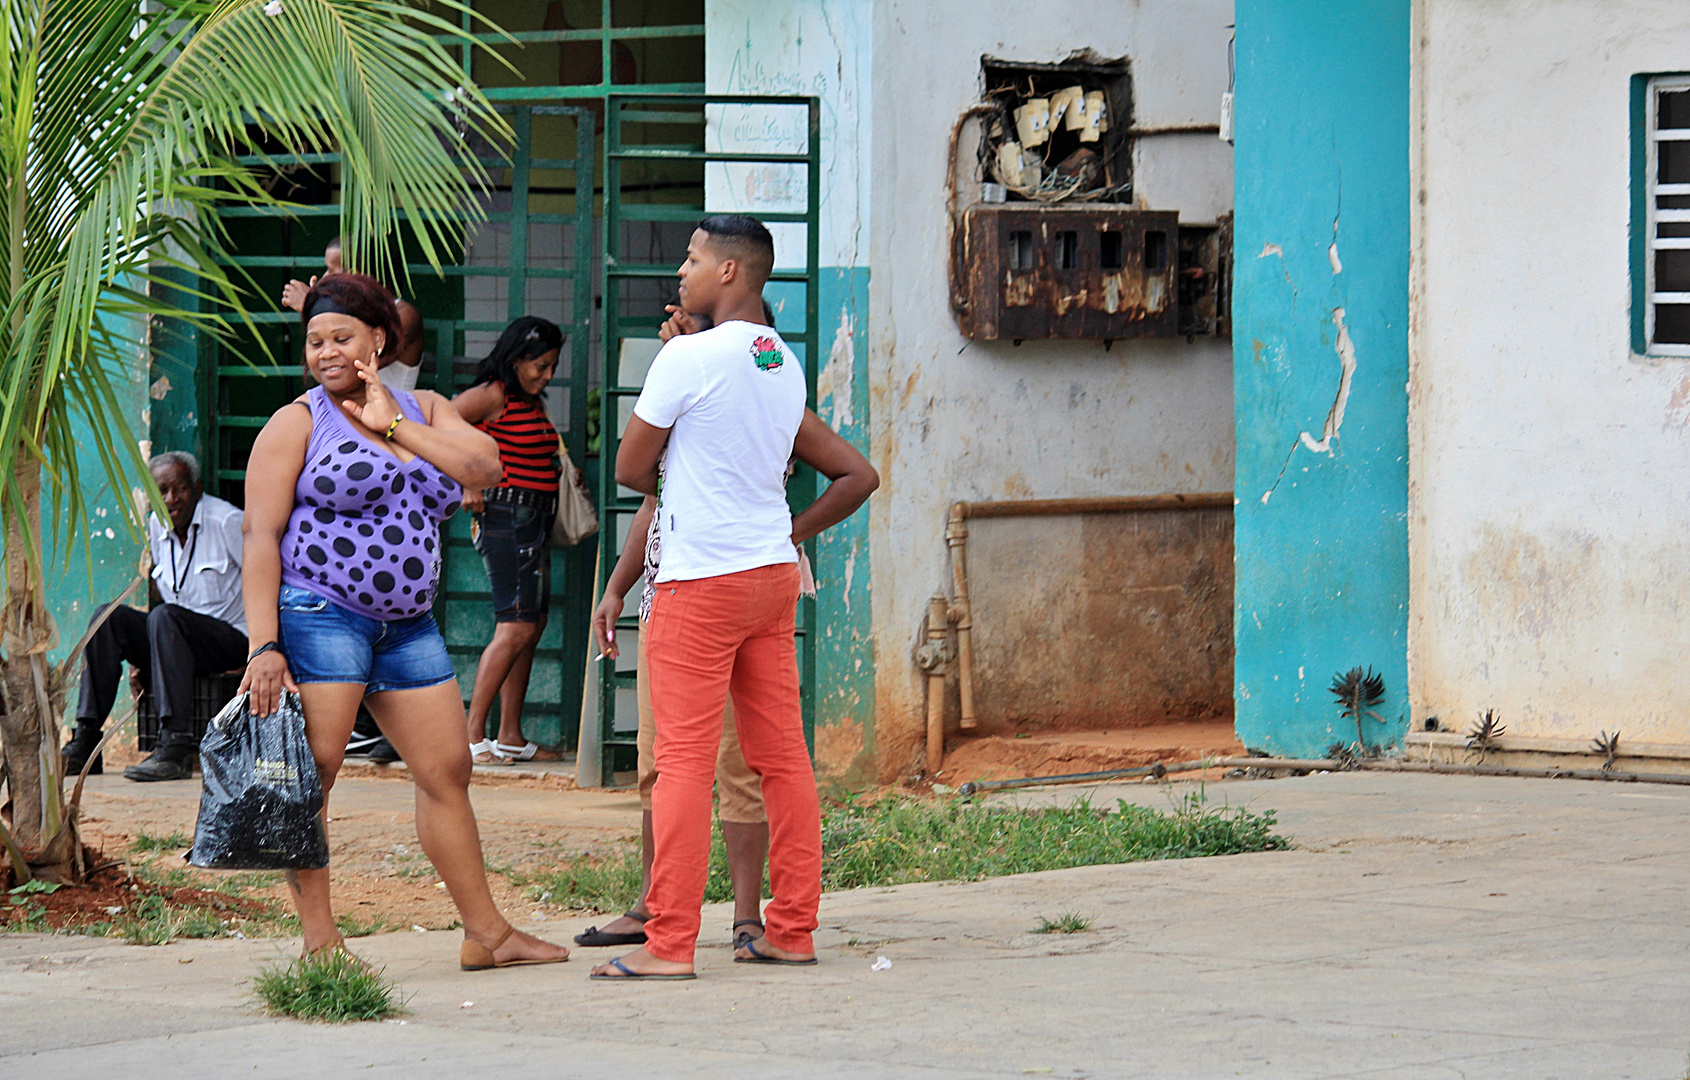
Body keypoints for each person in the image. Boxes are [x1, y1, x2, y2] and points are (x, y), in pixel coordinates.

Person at [241, 272, 569, 968]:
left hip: (407, 625)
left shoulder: (423, 406)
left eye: (342, 338)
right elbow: (260, 539)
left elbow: (484, 466)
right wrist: (264, 645)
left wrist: (391, 423)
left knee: (447, 769)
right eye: (315, 341)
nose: (326, 353)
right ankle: (321, 946)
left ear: (379, 340)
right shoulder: (296, 422)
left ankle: (488, 935)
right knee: (317, 774)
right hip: (320, 614)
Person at [589, 215, 878, 981]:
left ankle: (670, 944)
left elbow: (628, 468)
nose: (680, 269)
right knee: (783, 758)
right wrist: (790, 531)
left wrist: (675, 375)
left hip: (700, 579)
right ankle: (790, 928)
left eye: (691, 257)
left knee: (682, 762)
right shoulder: (780, 361)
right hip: (770, 577)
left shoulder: (684, 358)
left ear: (728, 273)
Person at [62, 452, 248, 782]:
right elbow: (169, 601)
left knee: (165, 617)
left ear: (198, 488)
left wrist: (264, 649)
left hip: (231, 640)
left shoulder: (227, 522)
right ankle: (86, 740)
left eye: (180, 489)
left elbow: (269, 580)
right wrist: (145, 658)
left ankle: (174, 748)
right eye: (161, 491)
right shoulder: (157, 525)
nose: (171, 499)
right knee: (107, 617)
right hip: (179, 638)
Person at [451, 317, 568, 764]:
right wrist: (468, 481)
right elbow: (443, 424)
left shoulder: (529, 402)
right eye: (539, 365)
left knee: (531, 626)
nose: (547, 375)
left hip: (533, 519)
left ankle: (510, 735)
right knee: (515, 625)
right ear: (516, 358)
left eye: (552, 366)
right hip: (505, 516)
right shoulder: (492, 393)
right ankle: (471, 735)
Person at [282, 237, 425, 392]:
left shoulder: (405, 314)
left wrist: (312, 307)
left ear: (354, 275)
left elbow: (359, 364)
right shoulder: (344, 312)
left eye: (331, 271)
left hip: (391, 414)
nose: (324, 278)